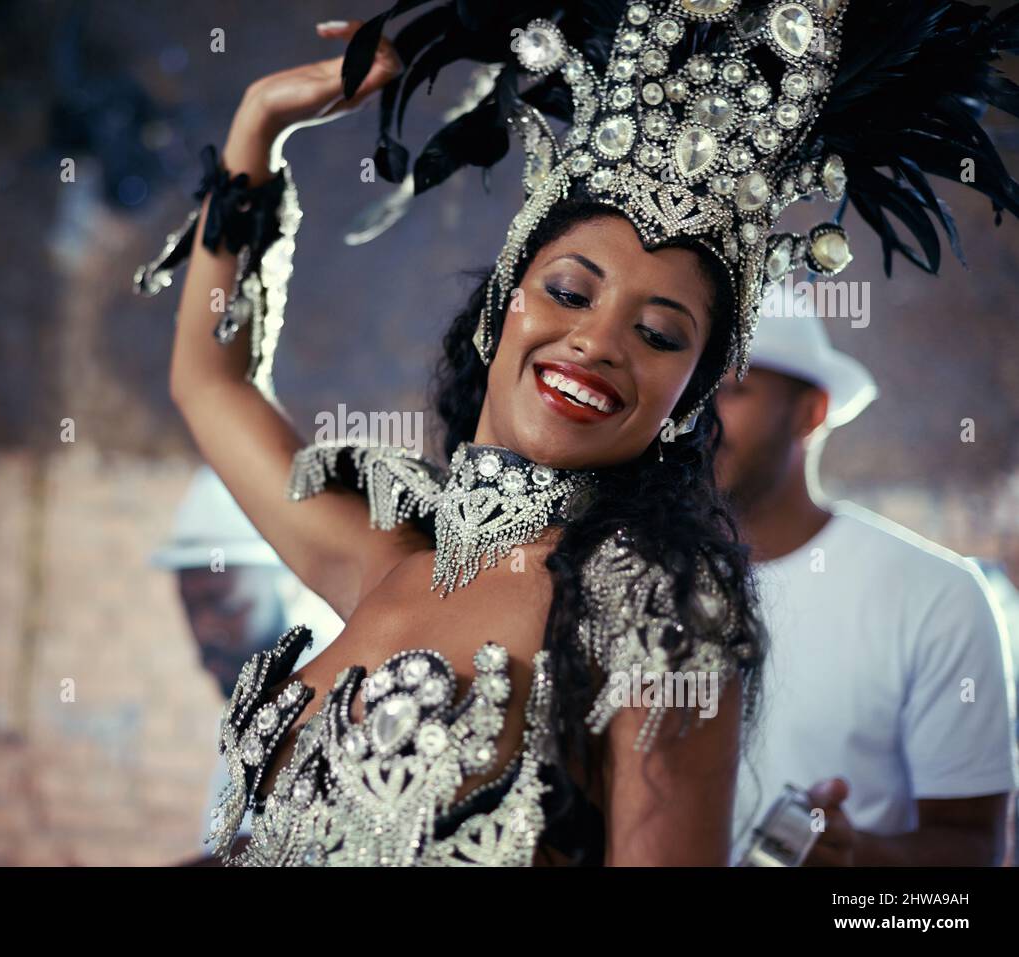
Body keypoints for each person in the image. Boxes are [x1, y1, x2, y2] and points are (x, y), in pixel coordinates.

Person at [139, 1, 1019, 866]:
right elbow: (209, 380)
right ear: (502, 306)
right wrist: (262, 123)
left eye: (660, 333)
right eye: (569, 290)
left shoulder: (656, 622)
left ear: (686, 401)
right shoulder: (385, 550)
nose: (598, 341)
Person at [715, 303, 1019, 865]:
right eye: (690, 390)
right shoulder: (623, 575)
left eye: (732, 388)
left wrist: (853, 856)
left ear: (810, 411)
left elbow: (974, 846)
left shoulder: (935, 594)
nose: (700, 417)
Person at [150, 466, 342, 858]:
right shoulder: (250, 701)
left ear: (290, 582)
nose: (205, 630)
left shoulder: (328, 693)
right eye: (191, 607)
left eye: (225, 605)